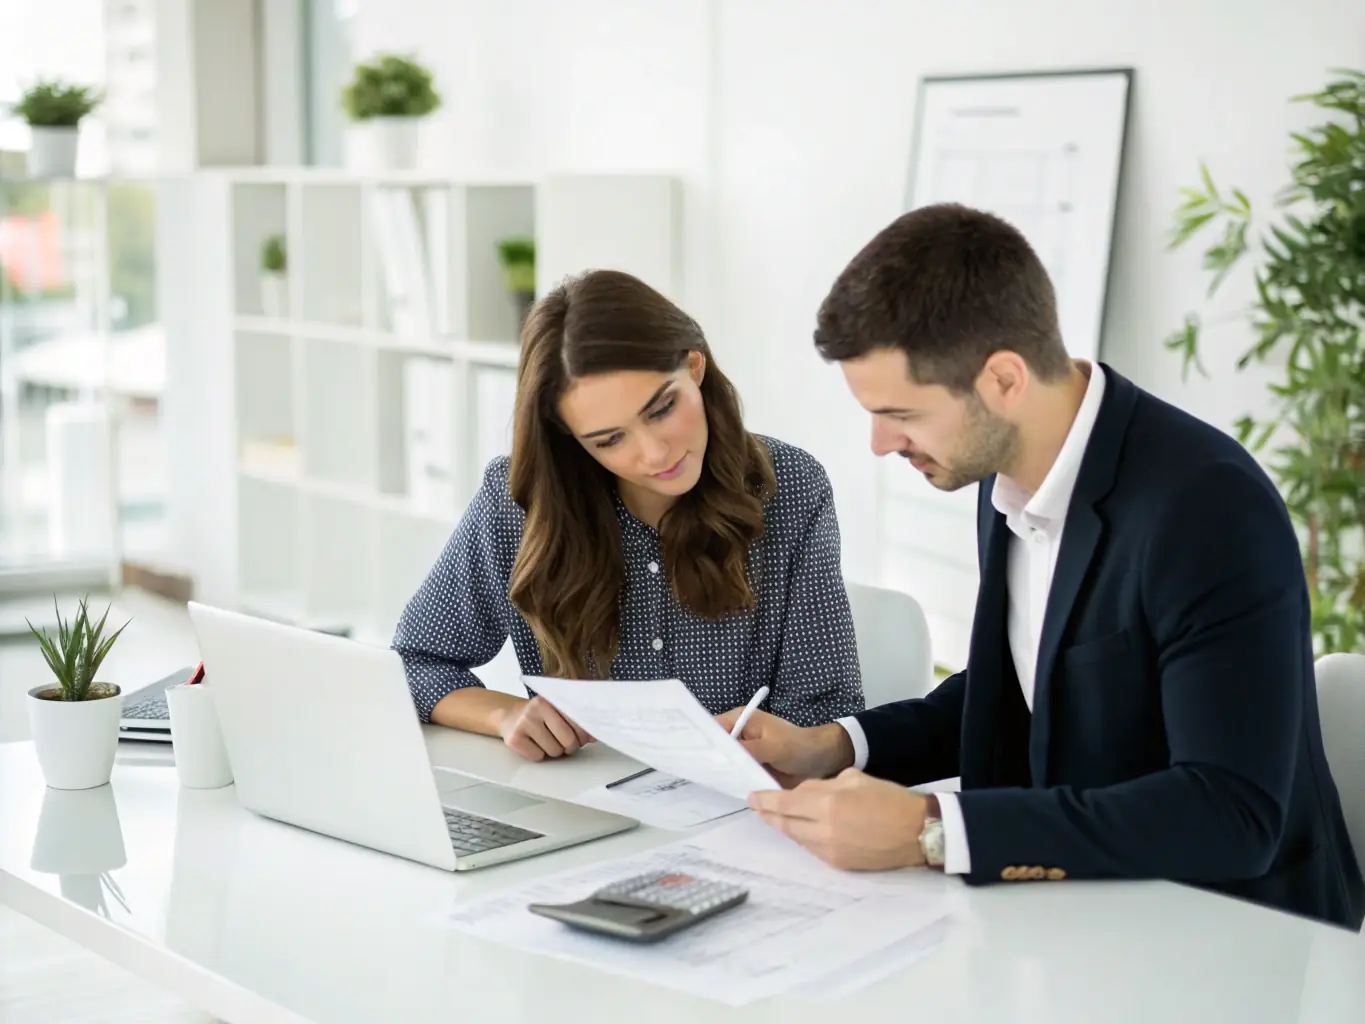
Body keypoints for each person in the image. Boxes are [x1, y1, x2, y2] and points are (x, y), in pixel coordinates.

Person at [721, 203, 1365, 931]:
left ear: (1002, 380)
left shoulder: (1207, 507)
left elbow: (1230, 812)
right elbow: (1025, 685)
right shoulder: (997, 468)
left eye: (900, 412)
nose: (878, 442)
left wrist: (931, 830)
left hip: (1231, 935)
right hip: (1071, 914)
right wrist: (833, 746)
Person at [393, 268, 864, 762]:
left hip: (740, 813)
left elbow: (825, 709)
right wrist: (505, 714)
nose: (655, 454)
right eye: (610, 440)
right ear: (571, 441)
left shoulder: (789, 488)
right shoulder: (521, 502)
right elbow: (414, 661)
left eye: (661, 409)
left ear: (694, 367)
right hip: (579, 808)